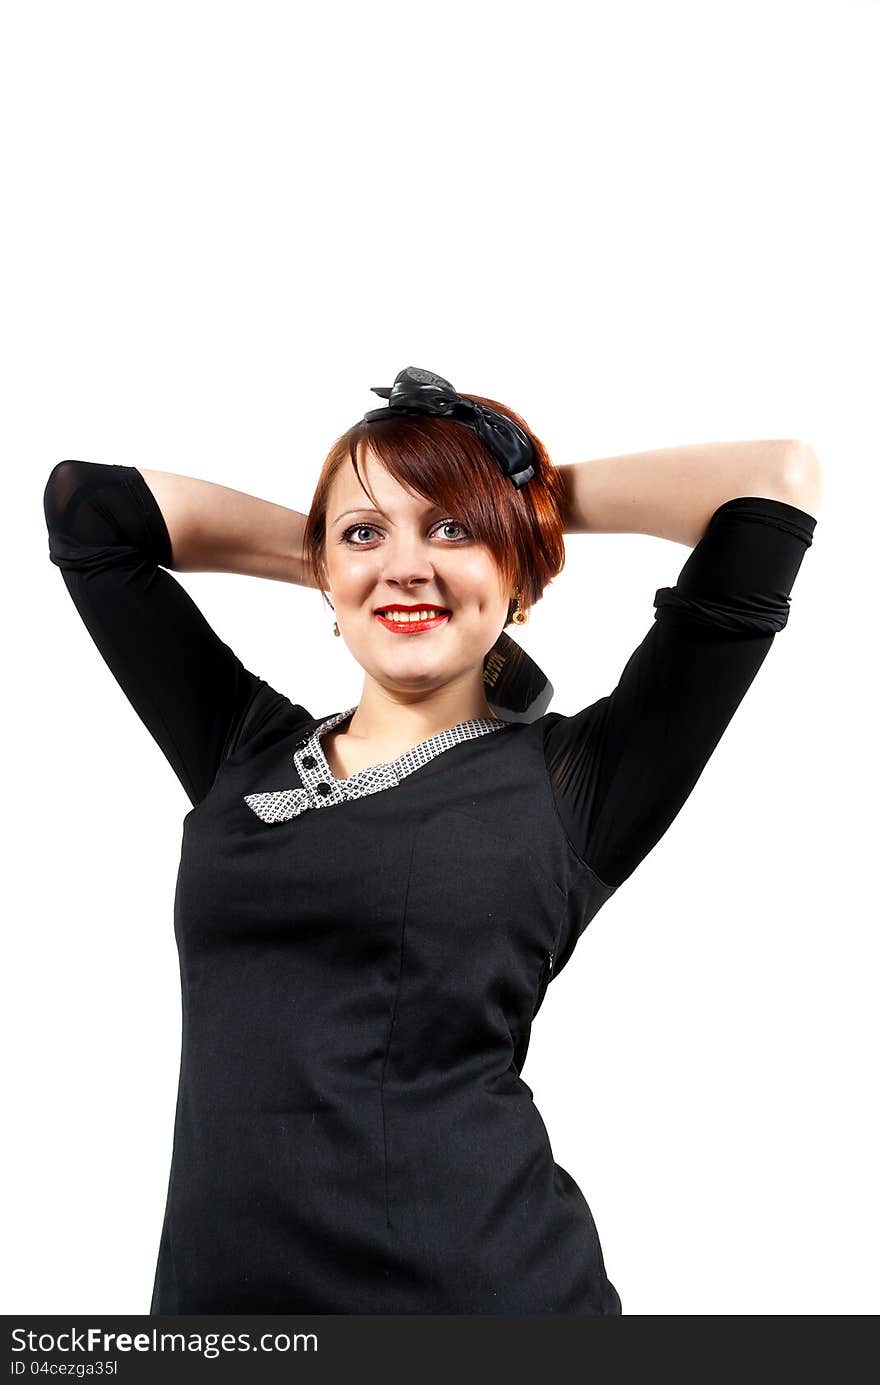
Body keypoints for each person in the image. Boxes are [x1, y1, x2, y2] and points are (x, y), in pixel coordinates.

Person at [42, 366, 820, 1315]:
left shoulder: (578, 784)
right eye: (365, 530)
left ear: (518, 568)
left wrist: (522, 508)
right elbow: (90, 511)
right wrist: (344, 560)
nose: (406, 563)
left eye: (452, 527)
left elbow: (776, 482)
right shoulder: (237, 745)